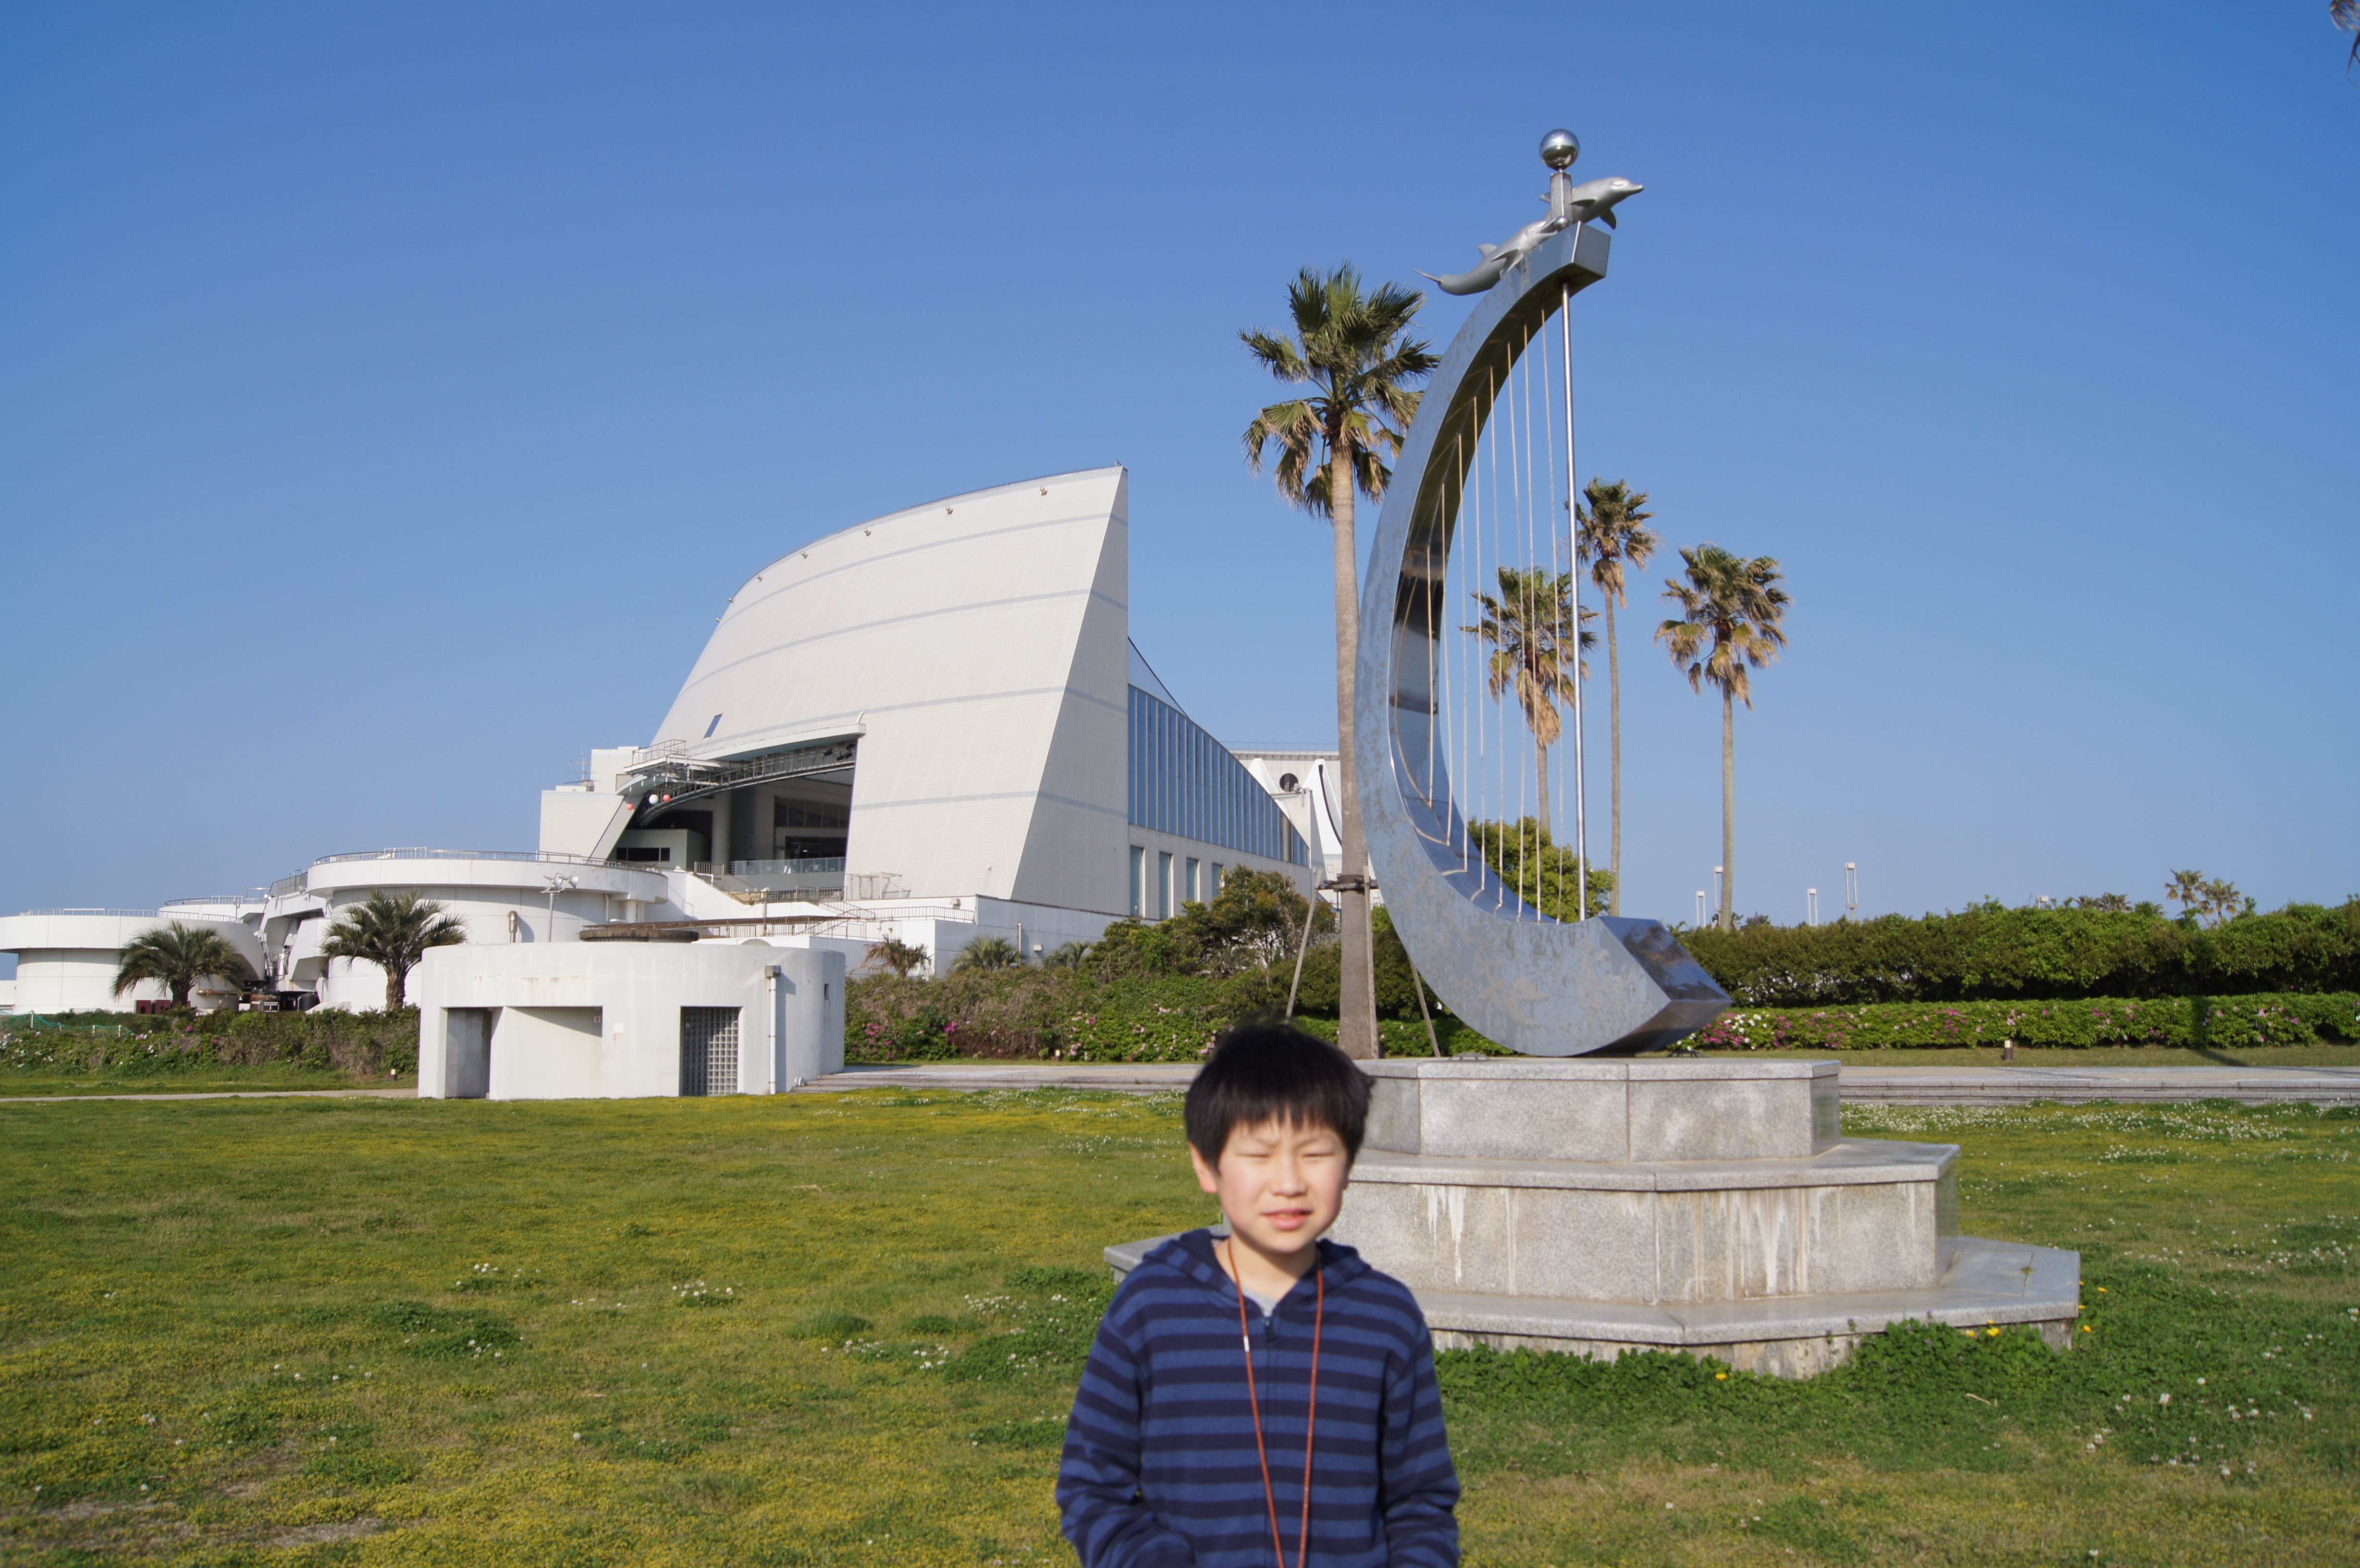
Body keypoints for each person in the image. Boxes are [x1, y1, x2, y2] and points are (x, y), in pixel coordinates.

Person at [1057, 1024, 1460, 1567]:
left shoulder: (1385, 1318)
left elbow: (1421, 1502)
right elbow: (1091, 1487)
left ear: (1348, 1167)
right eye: (1260, 1155)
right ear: (1206, 1164)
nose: (1289, 1182)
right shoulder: (1150, 1309)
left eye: (1316, 1154)